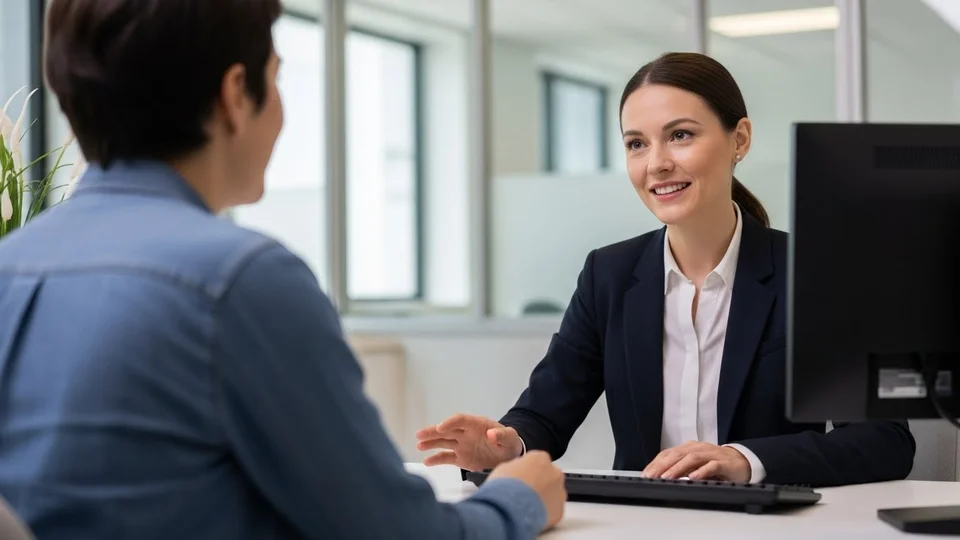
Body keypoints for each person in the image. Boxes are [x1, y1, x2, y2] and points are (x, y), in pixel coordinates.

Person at [0, 1, 567, 539]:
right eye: (274, 79)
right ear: (233, 97)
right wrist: (518, 497)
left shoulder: (11, 265)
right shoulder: (241, 280)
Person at [416, 52, 916, 488]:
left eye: (680, 135)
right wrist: (508, 446)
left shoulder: (817, 272)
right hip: (645, 520)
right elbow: (546, 412)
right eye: (637, 144)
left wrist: (745, 459)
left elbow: (884, 440)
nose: (656, 164)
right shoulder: (608, 274)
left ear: (739, 138)